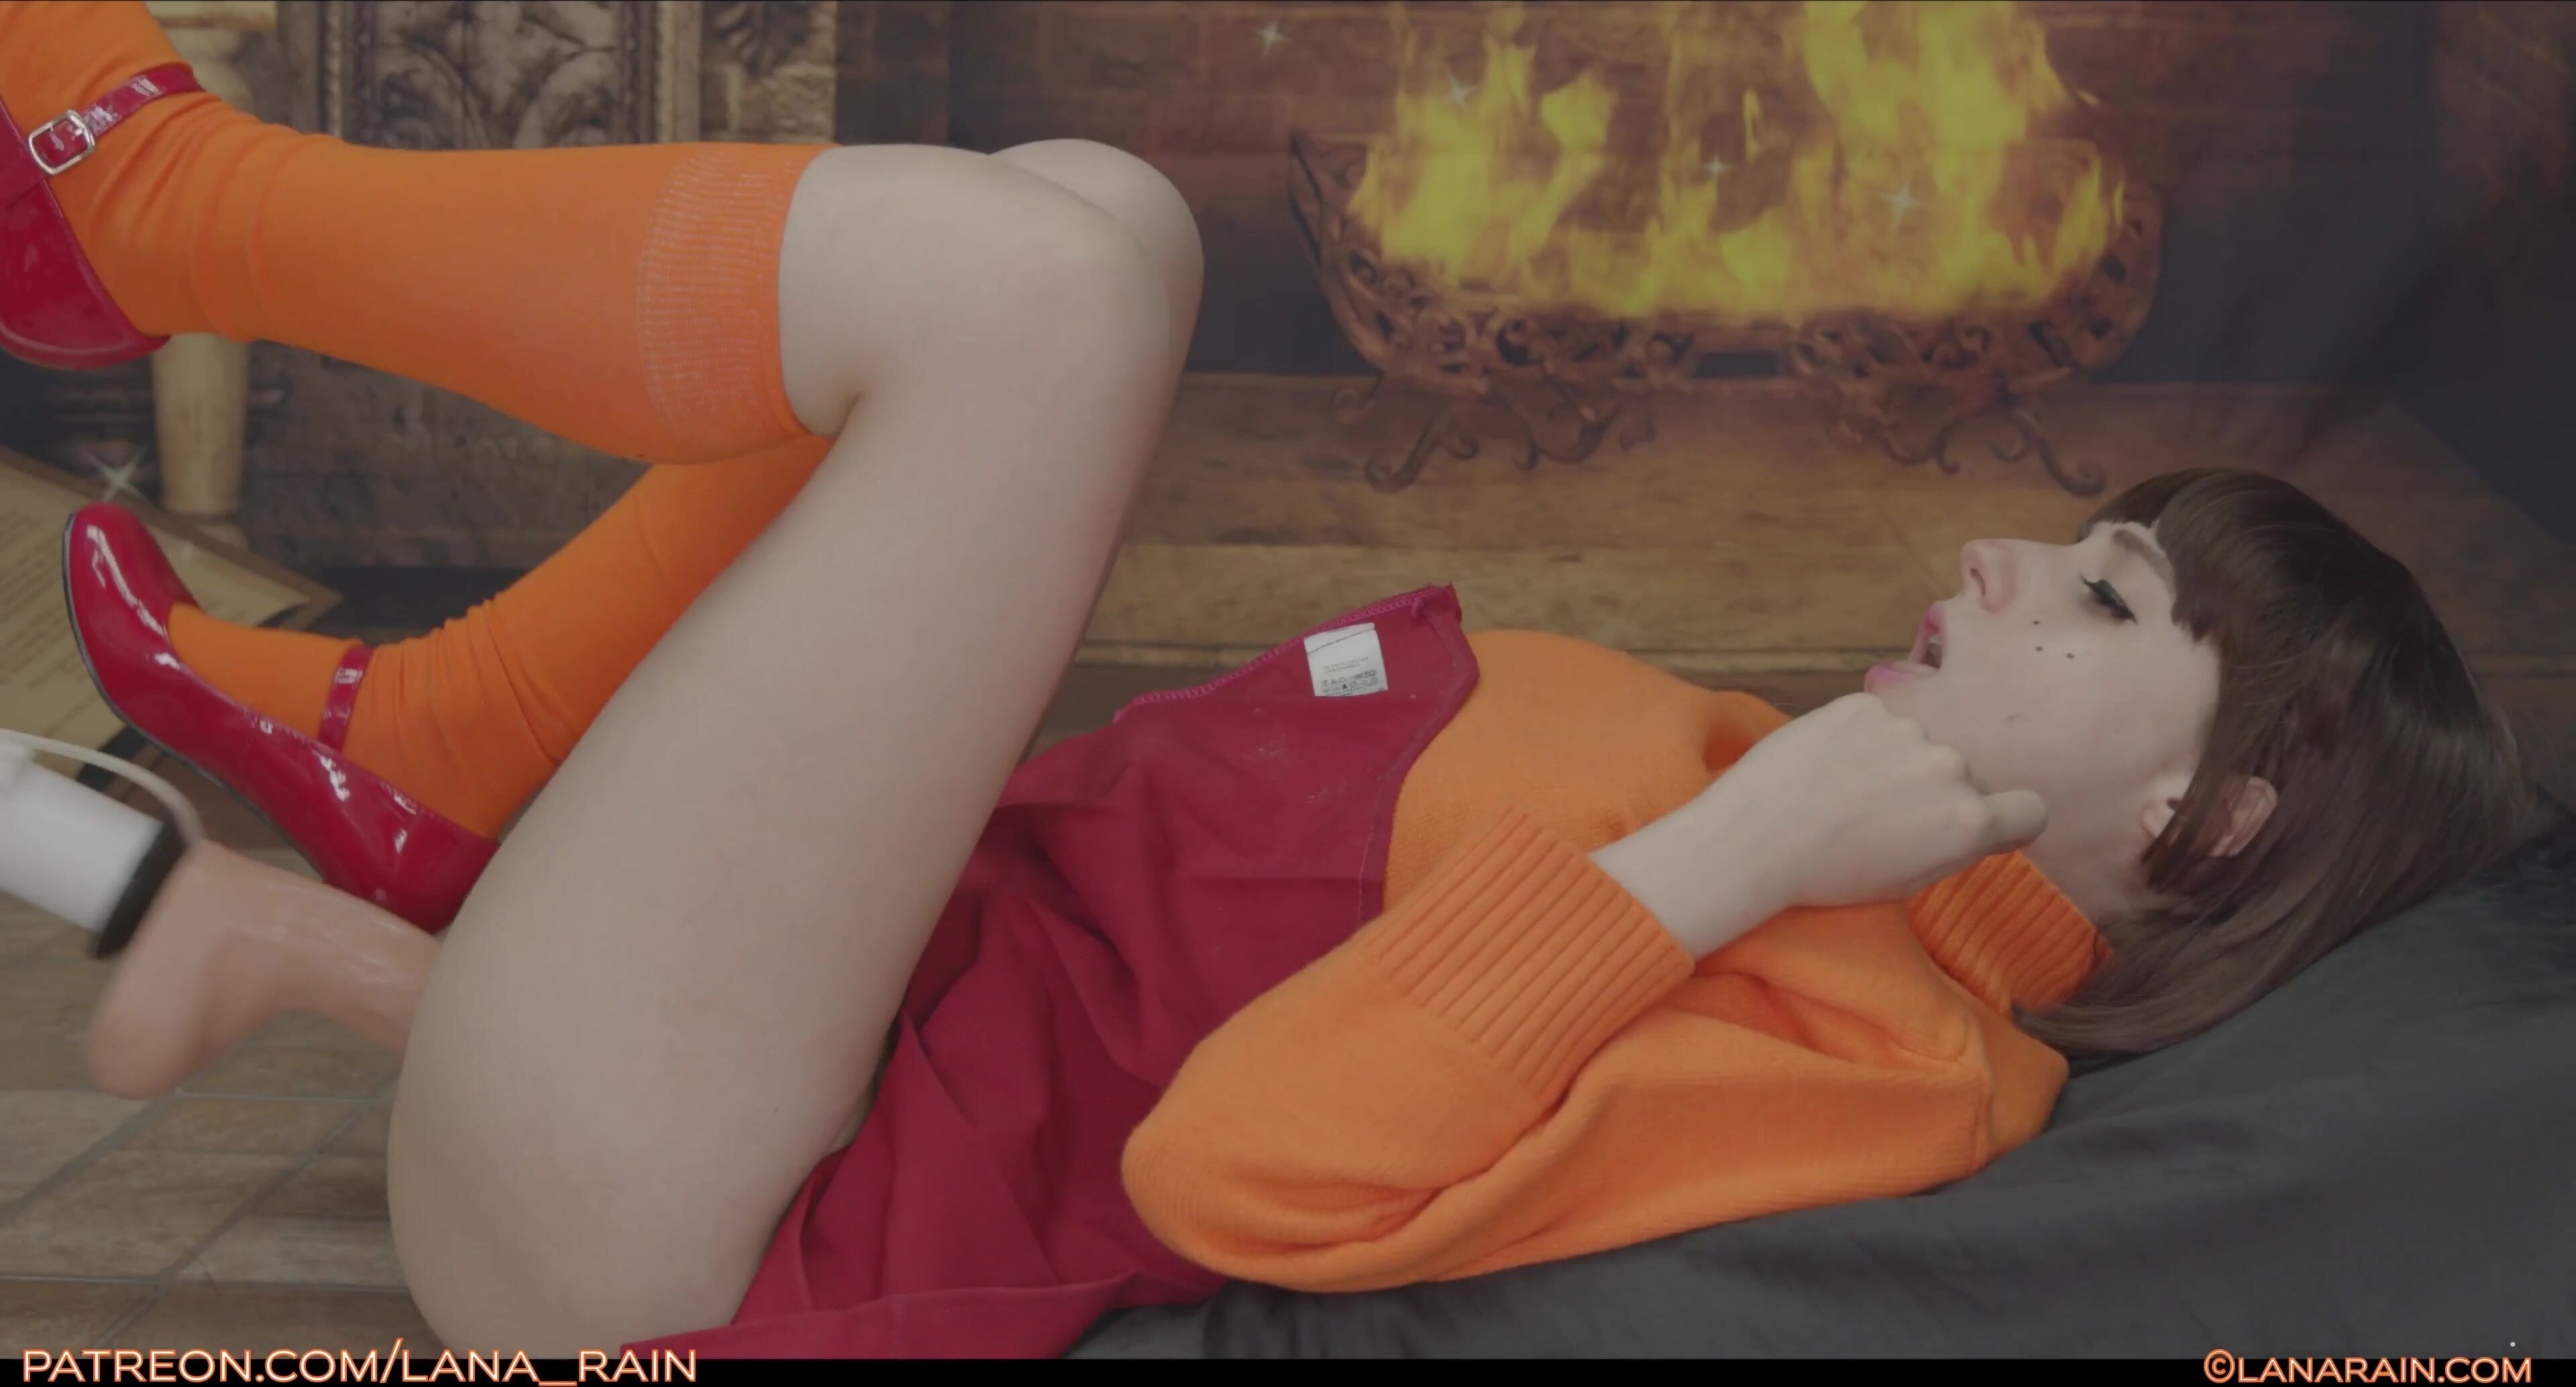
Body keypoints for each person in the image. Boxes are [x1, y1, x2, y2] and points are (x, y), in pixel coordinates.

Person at [2, 1, 2542, 1359]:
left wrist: (1728, 852)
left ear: (2209, 821)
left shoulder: (1886, 1048)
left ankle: (160, 210)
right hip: (758, 1061)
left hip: (696, 1250)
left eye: (2107, 599)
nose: (2004, 550)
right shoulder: (1813, 820)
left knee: (1032, 298)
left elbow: (1240, 1183)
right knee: (1096, 208)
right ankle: (424, 761)